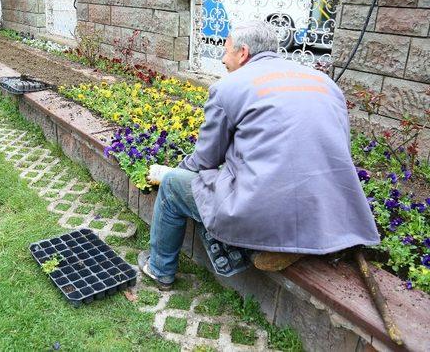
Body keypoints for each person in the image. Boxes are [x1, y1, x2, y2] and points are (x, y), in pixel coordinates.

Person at [138, 20, 380, 290]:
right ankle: (291, 239)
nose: (222, 58)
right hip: (327, 210)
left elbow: (205, 160)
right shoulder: (325, 83)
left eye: (226, 49)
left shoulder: (229, 86)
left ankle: (160, 269)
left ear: (243, 53)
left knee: (173, 186)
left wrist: (173, 171)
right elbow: (338, 151)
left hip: (264, 207)